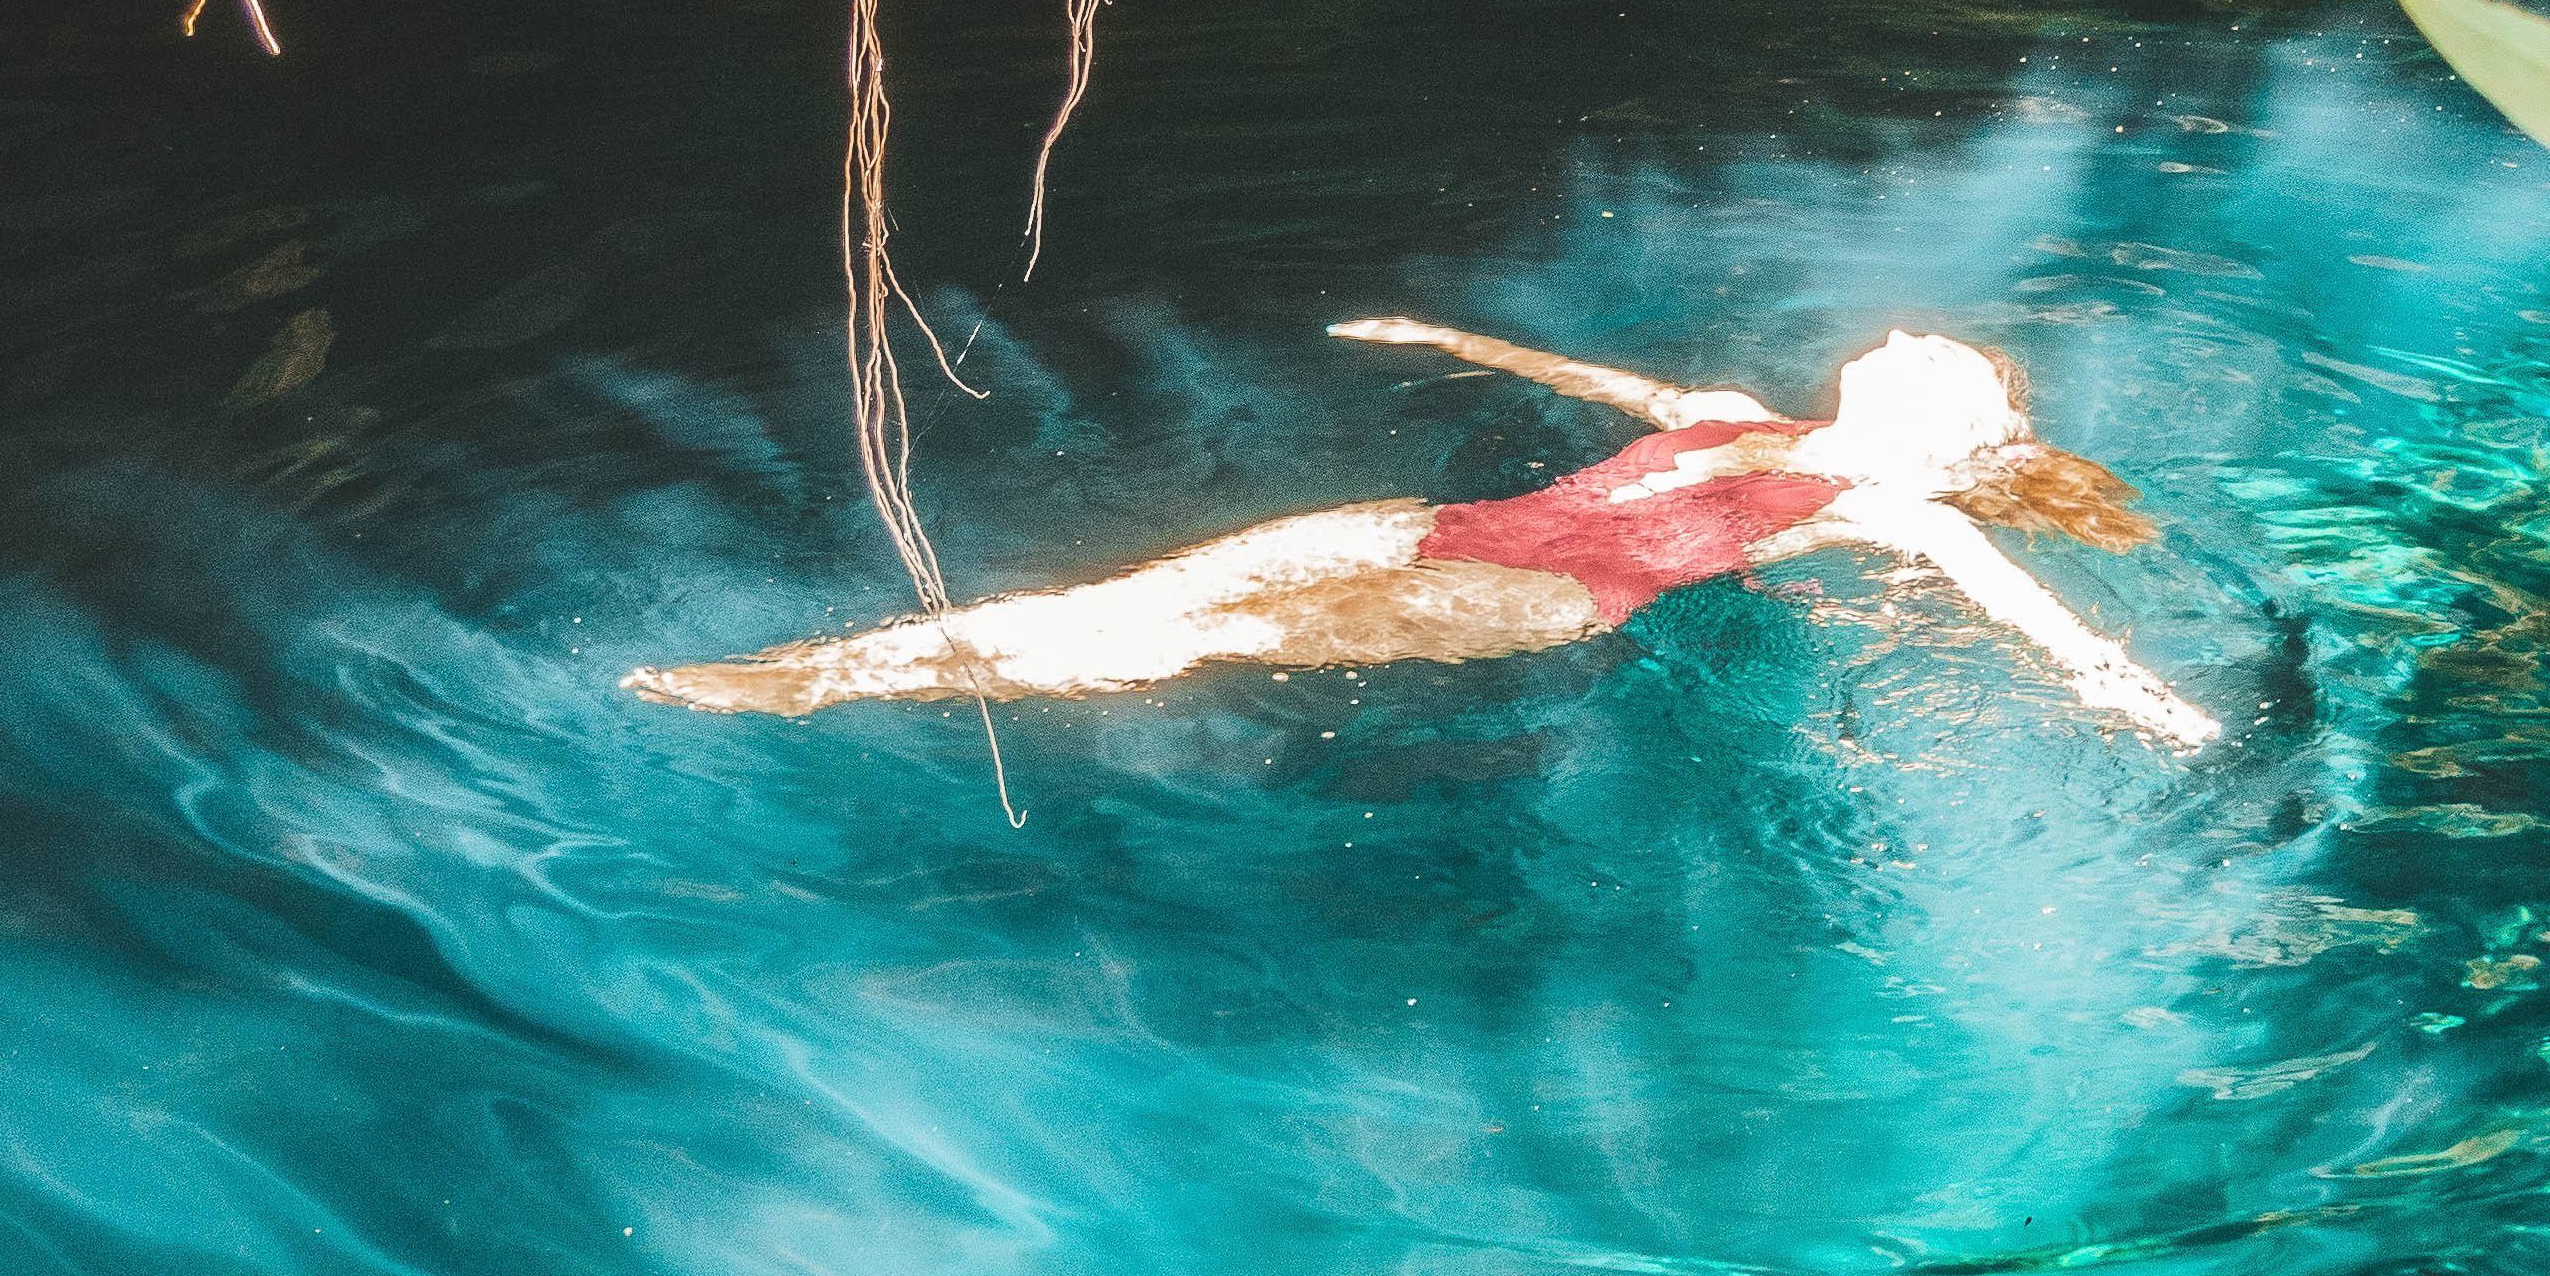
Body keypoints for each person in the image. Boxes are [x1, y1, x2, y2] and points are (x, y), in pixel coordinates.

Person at [624, 317, 2218, 752]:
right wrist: (1464, 345)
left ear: (1952, 429)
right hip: (1447, 522)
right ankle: (829, 663)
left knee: (1200, 635)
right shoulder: (1748, 409)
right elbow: (1627, 385)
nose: (1904, 334)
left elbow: (2031, 617)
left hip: (1539, 600)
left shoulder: (1893, 507)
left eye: (1943, 359)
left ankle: (829, 684)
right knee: (1147, 593)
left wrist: (2146, 707)